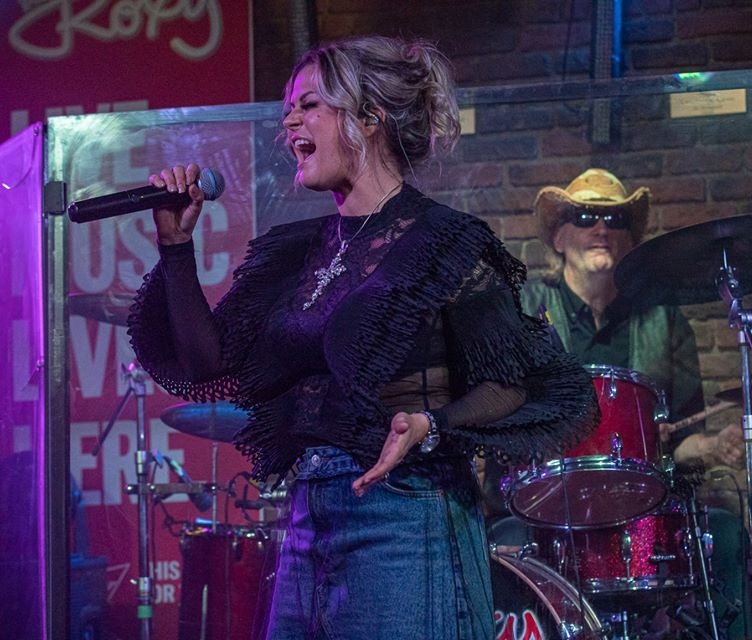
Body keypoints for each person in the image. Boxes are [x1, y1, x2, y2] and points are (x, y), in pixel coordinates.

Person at [127, 35, 598, 640]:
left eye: (310, 105)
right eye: (288, 110)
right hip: (307, 517)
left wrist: (434, 426)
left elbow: (511, 382)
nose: (289, 121)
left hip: (406, 512)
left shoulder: (444, 243)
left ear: (369, 118)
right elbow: (205, 362)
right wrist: (175, 247)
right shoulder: (298, 252)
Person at [488, 168, 747, 636]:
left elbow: (681, 441)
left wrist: (708, 448)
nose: (602, 229)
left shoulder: (664, 319)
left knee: (724, 536)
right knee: (499, 543)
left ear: (630, 240)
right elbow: (495, 416)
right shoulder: (523, 311)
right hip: (546, 511)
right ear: (560, 236)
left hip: (639, 512)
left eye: (616, 219)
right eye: (586, 216)